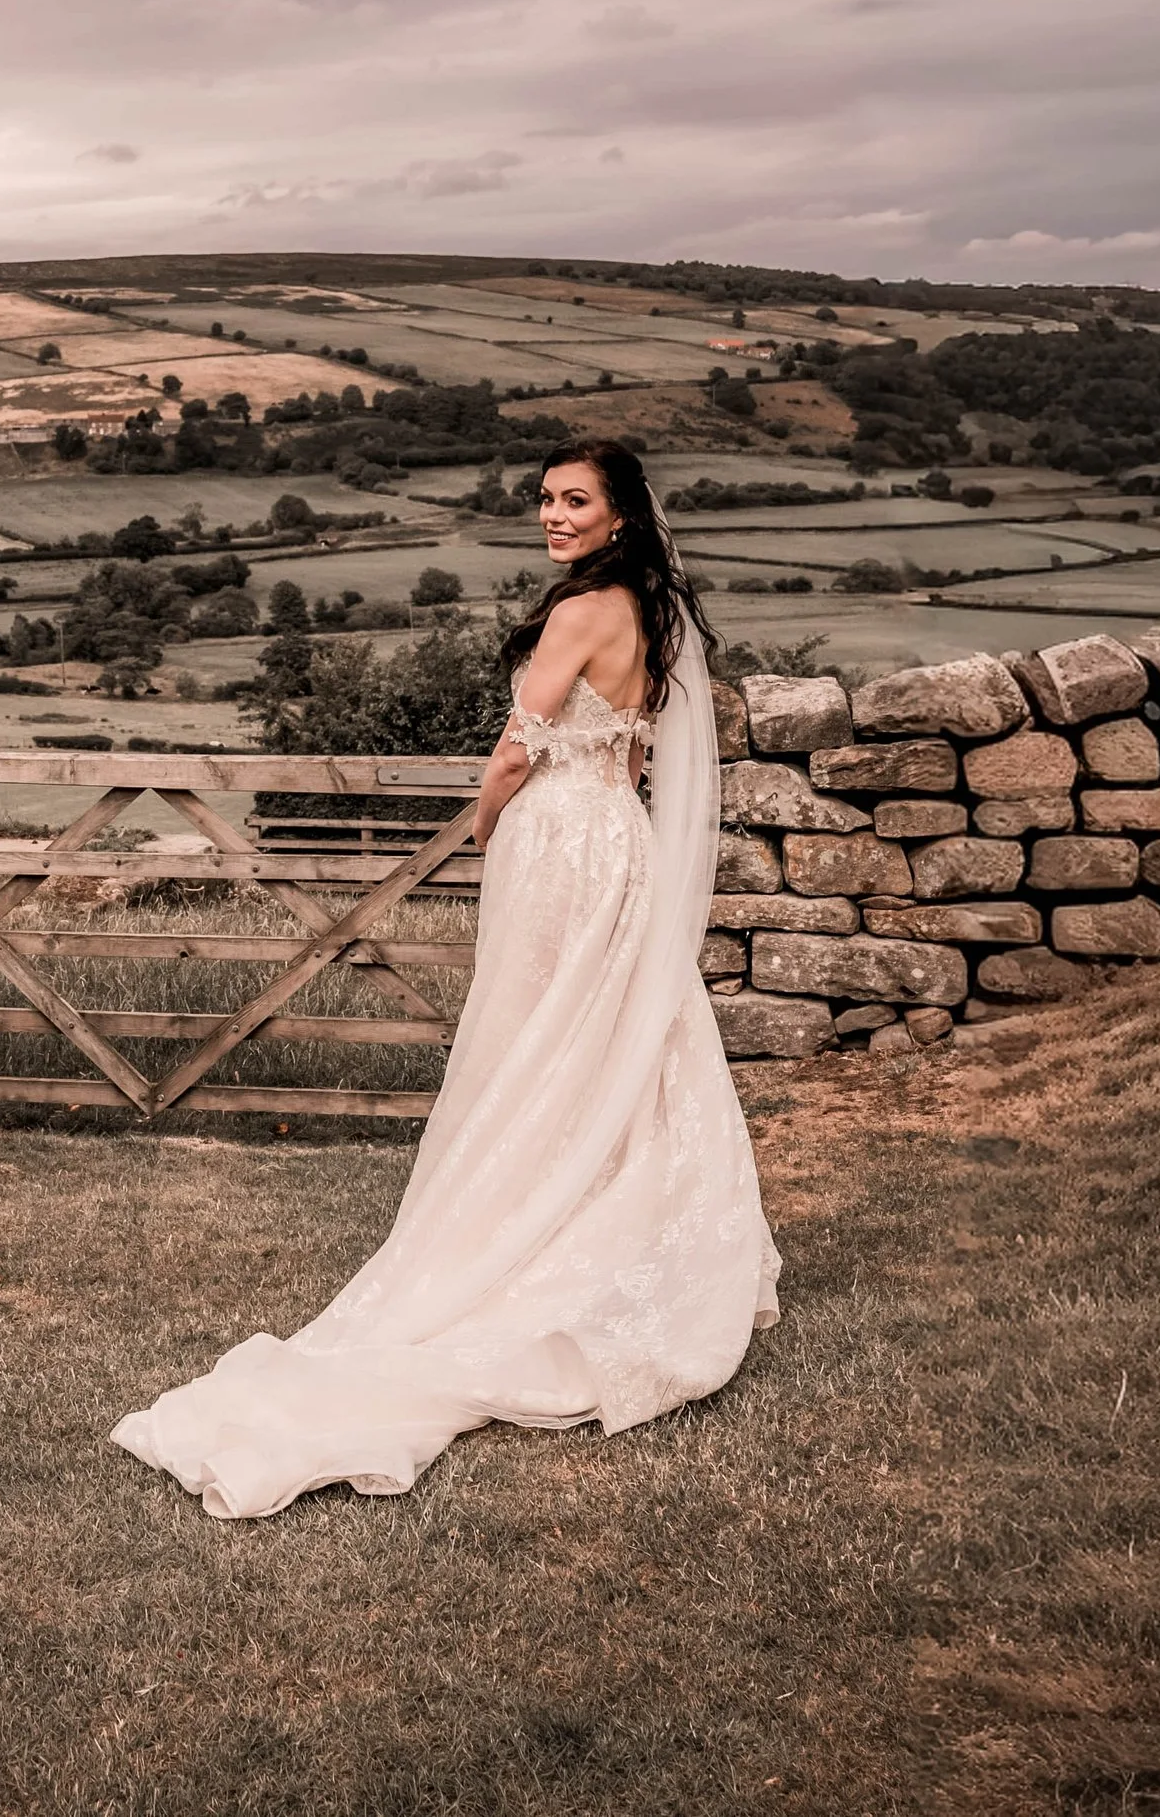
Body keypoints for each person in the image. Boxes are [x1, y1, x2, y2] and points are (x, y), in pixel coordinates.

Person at [112, 438, 780, 1519]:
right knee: (610, 1032)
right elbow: (641, 753)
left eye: (574, 500)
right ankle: (610, 1210)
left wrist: (484, 823)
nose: (551, 514)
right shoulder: (657, 614)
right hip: (619, 836)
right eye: (544, 498)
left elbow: (518, 747)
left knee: (530, 1036)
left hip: (558, 838)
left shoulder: (578, 612)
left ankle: (526, 1221)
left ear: (618, 517)